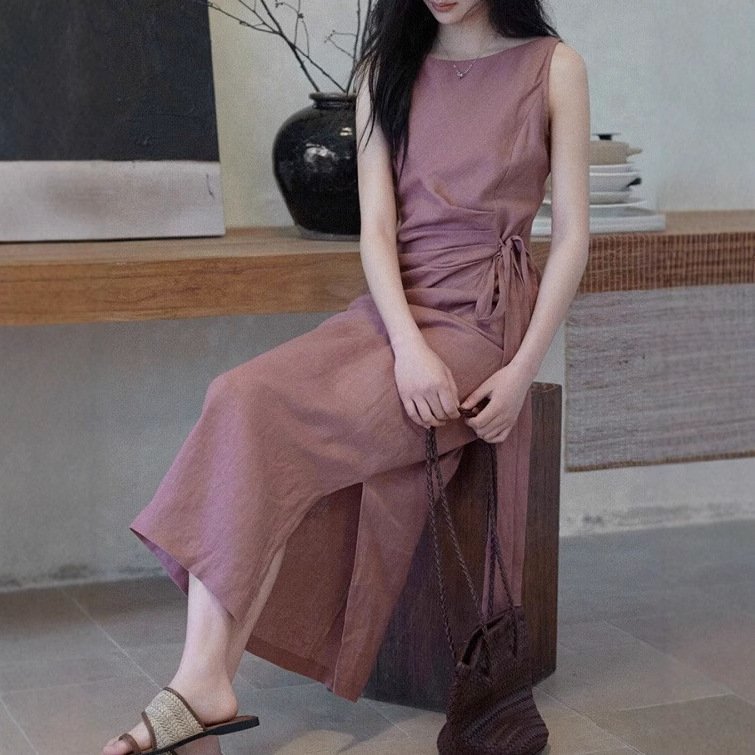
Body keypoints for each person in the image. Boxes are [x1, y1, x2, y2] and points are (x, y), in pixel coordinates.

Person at [103, 0, 589, 752]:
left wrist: (523, 369)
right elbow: (377, 231)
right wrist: (407, 346)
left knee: (282, 434)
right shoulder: (383, 70)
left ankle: (198, 696)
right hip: (393, 317)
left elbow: (573, 237)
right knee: (239, 394)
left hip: (480, 325)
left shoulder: (554, 67)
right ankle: (202, 683)